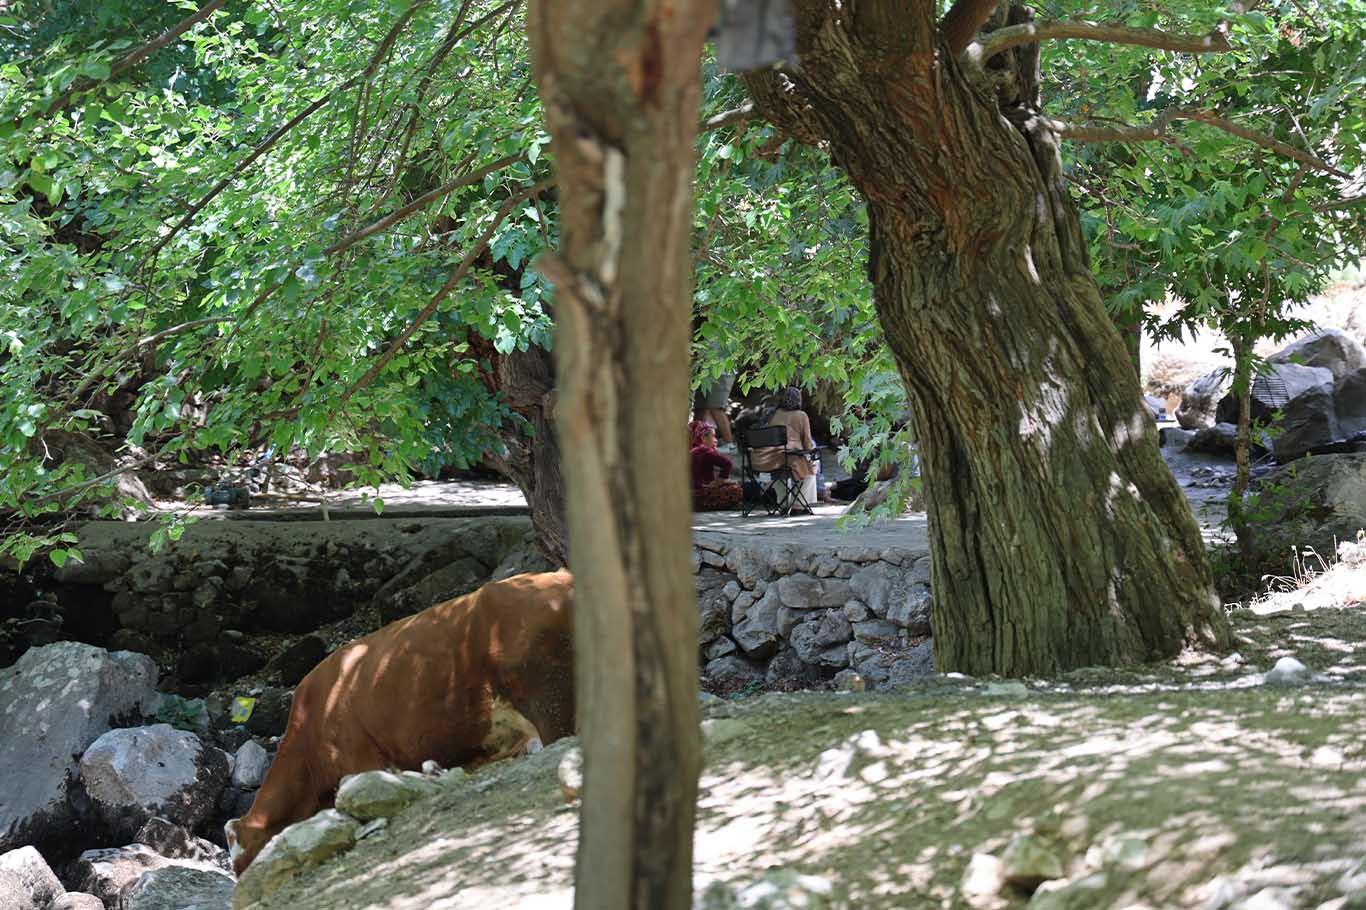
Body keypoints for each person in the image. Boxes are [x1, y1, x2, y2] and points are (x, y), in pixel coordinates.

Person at [750, 386, 818, 513]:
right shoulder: (801, 415)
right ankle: (798, 505)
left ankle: (783, 503)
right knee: (810, 468)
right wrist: (810, 452)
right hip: (786, 458)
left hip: (763, 460)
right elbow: (807, 443)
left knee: (782, 471)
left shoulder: (770, 413)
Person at [689, 420, 742, 510]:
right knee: (736, 490)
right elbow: (727, 464)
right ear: (703, 438)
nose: (716, 440)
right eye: (713, 437)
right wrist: (720, 481)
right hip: (701, 494)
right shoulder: (706, 450)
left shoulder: (692, 451)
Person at [696, 372, 736, 449]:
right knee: (700, 408)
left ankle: (730, 445)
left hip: (720, 370)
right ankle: (699, 443)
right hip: (702, 370)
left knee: (715, 406)